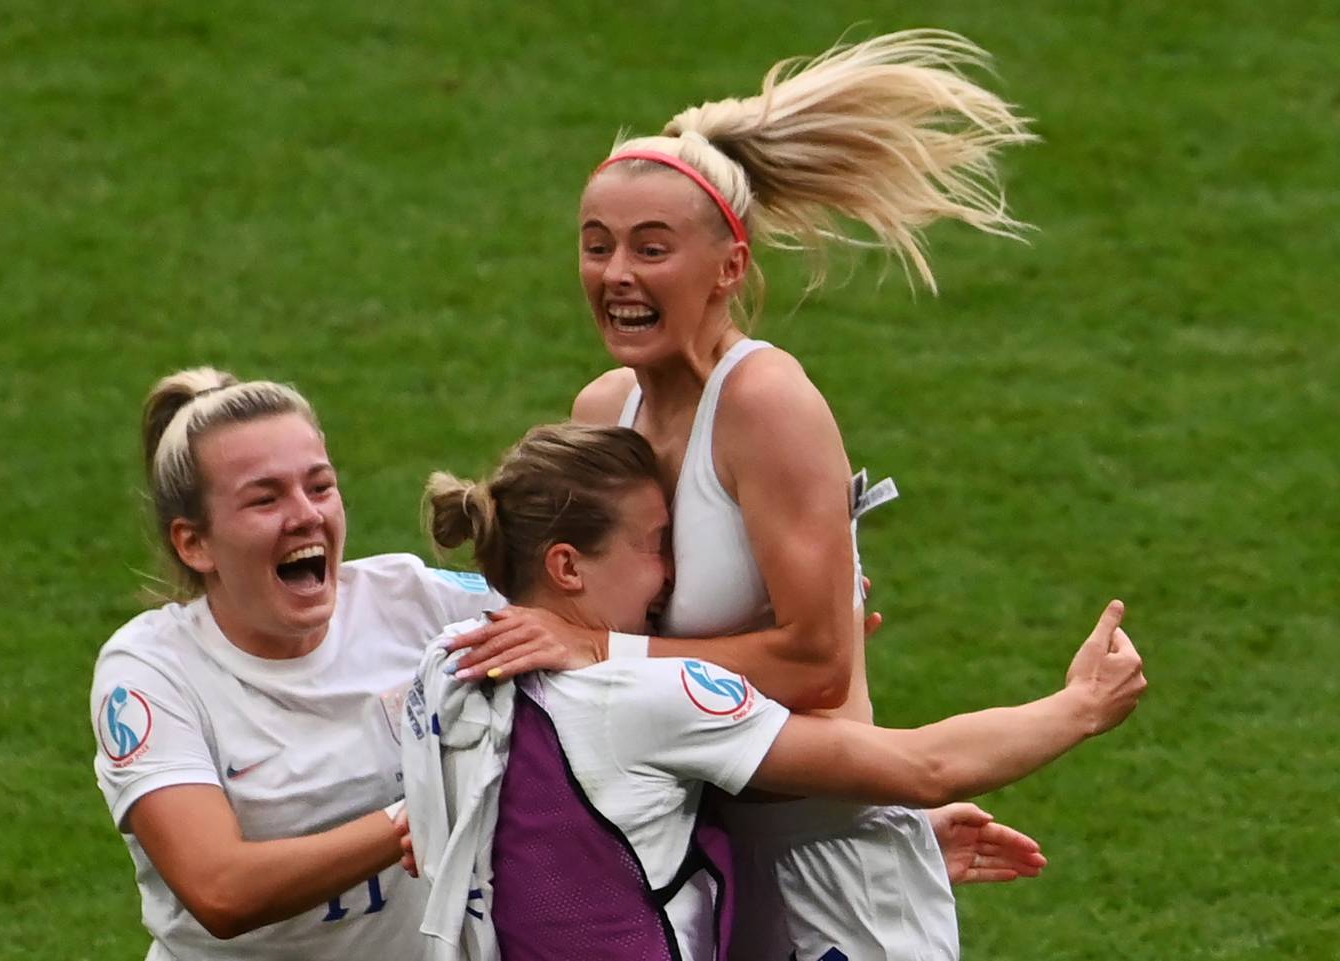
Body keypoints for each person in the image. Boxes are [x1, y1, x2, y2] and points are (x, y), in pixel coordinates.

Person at [444, 29, 1060, 961]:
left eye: (653, 249)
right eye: (597, 245)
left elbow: (816, 667)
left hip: (828, 863)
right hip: (698, 863)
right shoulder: (607, 408)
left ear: (729, 268)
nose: (617, 275)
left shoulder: (766, 403)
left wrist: (601, 649)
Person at [405, 423, 1146, 961]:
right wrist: (1080, 705)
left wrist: (875, 828)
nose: (672, 575)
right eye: (658, 544)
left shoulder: (443, 667)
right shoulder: (636, 697)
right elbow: (925, 767)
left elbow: (589, 832)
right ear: (568, 567)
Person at [88, 367, 506, 960]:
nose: (306, 514)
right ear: (194, 543)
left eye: (320, 486)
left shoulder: (415, 600)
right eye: (265, 498)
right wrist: (418, 815)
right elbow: (220, 888)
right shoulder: (151, 672)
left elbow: (595, 618)